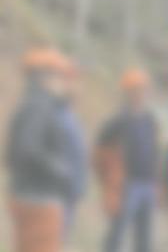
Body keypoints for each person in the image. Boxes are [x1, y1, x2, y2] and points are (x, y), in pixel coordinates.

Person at [7, 47, 88, 252]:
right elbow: (26, 148)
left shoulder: (34, 104)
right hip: (40, 197)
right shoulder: (40, 105)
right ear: (43, 77)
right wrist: (61, 170)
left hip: (36, 194)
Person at [96, 68, 157, 252]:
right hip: (126, 186)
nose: (140, 94)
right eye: (136, 90)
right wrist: (110, 185)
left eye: (143, 90)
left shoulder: (147, 119)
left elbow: (152, 151)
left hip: (146, 183)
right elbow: (100, 154)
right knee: (117, 232)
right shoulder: (117, 121)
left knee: (144, 234)